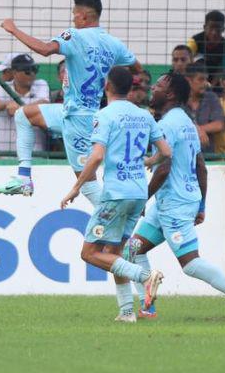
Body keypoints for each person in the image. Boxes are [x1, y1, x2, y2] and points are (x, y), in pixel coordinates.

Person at [124, 72, 225, 321]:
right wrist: (201, 204)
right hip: (174, 201)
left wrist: (141, 200)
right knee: (133, 250)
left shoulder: (167, 124)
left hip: (174, 205)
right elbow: (201, 166)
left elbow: (164, 168)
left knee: (190, 264)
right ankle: (148, 307)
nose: (152, 87)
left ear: (170, 94)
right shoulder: (187, 122)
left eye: (159, 85)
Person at [0, 0, 142, 200]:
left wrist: (14, 30)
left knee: (86, 184)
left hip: (79, 119)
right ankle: (24, 178)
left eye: (74, 14)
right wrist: (103, 71)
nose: (73, 18)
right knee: (23, 114)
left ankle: (113, 224)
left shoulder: (75, 36)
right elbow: (137, 68)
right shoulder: (113, 43)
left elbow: (46, 49)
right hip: (71, 111)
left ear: (83, 17)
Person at [59, 66, 171, 322]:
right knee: (114, 253)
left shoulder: (105, 115)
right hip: (139, 193)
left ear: (107, 87)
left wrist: (76, 187)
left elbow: (97, 155)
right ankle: (127, 312)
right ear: (130, 88)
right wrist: (149, 160)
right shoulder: (144, 115)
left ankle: (144, 277)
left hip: (116, 193)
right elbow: (166, 151)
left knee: (89, 253)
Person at [0, 53, 49, 153]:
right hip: (6, 152)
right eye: (27, 71)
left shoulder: (41, 84)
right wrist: (7, 105)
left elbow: (45, 103)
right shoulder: (2, 87)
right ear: (14, 73)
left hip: (34, 152)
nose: (32, 74)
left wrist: (20, 109)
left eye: (34, 69)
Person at [185, 65, 224, 152]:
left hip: (207, 156)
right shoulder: (179, 100)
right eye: (201, 79)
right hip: (183, 155)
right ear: (188, 81)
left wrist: (196, 130)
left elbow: (219, 125)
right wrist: (197, 131)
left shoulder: (211, 97)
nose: (205, 83)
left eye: (206, 79)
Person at [187, 10, 225, 77]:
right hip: (195, 78)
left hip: (215, 81)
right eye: (211, 28)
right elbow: (187, 64)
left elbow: (222, 69)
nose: (214, 32)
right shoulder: (194, 41)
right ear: (205, 27)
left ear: (223, 29)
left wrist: (211, 86)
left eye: (218, 28)